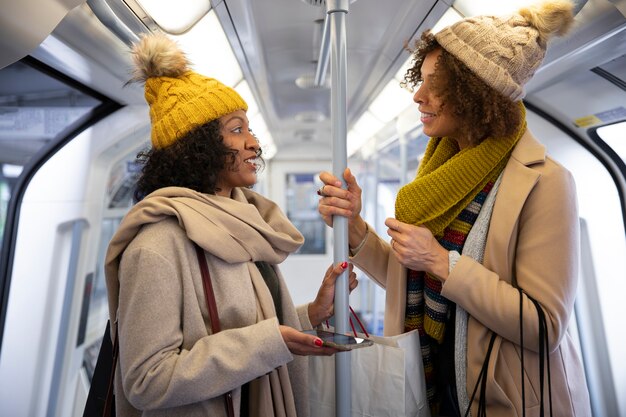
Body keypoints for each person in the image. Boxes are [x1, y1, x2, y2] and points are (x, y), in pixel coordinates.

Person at [317, 1, 591, 416]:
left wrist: (443, 262)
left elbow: (543, 326)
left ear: (475, 92)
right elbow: (408, 275)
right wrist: (354, 226)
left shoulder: (546, 182)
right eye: (420, 79)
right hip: (439, 392)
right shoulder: (442, 172)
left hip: (505, 400)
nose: (418, 95)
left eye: (435, 84)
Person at [104, 33, 357, 417]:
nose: (254, 143)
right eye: (237, 129)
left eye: (250, 129)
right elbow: (146, 381)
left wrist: (311, 315)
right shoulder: (156, 246)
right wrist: (269, 343)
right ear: (198, 146)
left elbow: (249, 326)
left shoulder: (240, 225)